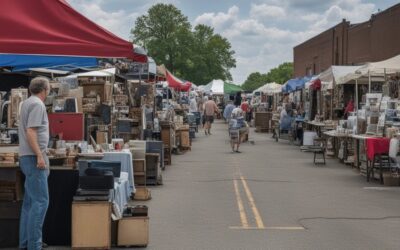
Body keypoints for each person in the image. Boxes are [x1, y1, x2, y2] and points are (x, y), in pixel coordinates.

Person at [19, 77, 51, 250]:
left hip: (26, 156)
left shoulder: (26, 103)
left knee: (30, 203)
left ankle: (25, 243)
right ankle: (34, 245)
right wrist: (40, 155)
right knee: (41, 202)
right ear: (44, 90)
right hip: (33, 157)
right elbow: (31, 131)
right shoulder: (38, 105)